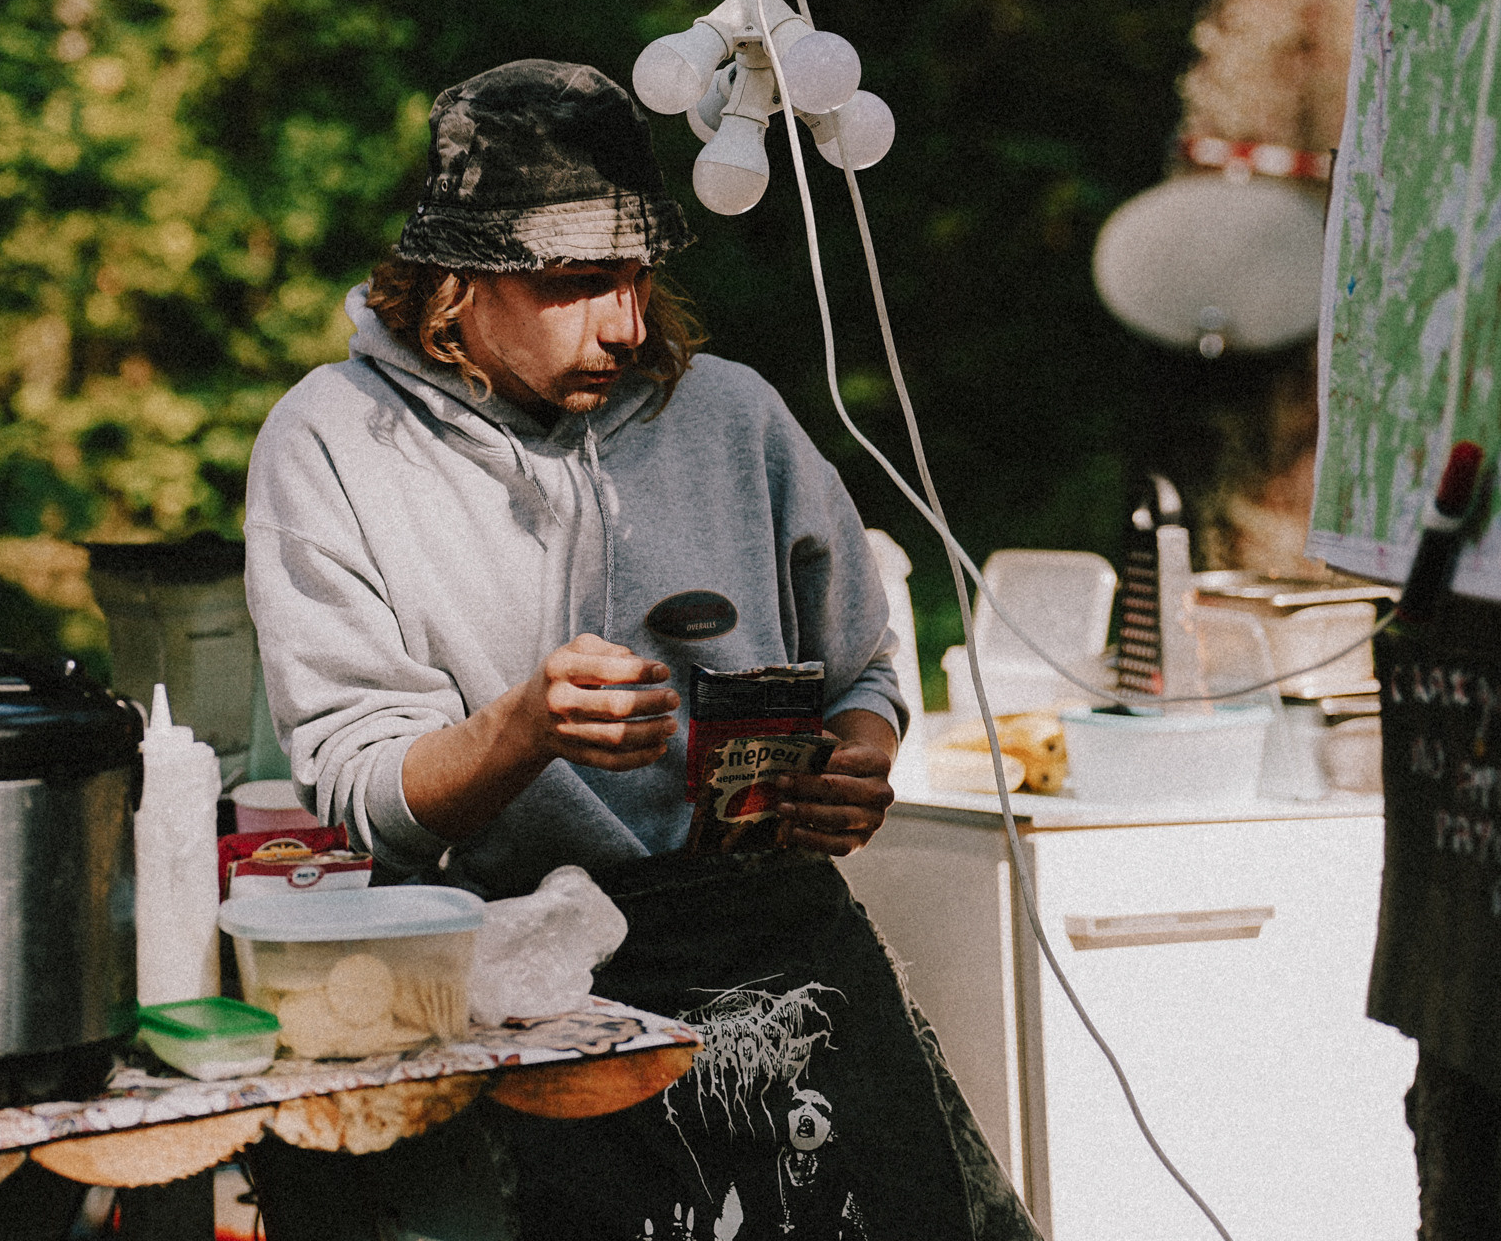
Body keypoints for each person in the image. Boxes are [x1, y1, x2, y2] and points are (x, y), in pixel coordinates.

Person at [243, 60, 1035, 1240]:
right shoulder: (333, 444)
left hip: (778, 948)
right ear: (459, 282)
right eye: (580, 282)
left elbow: (863, 665)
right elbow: (361, 794)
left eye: (640, 275)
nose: (626, 321)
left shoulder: (733, 417)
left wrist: (859, 756)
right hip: (517, 989)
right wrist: (526, 728)